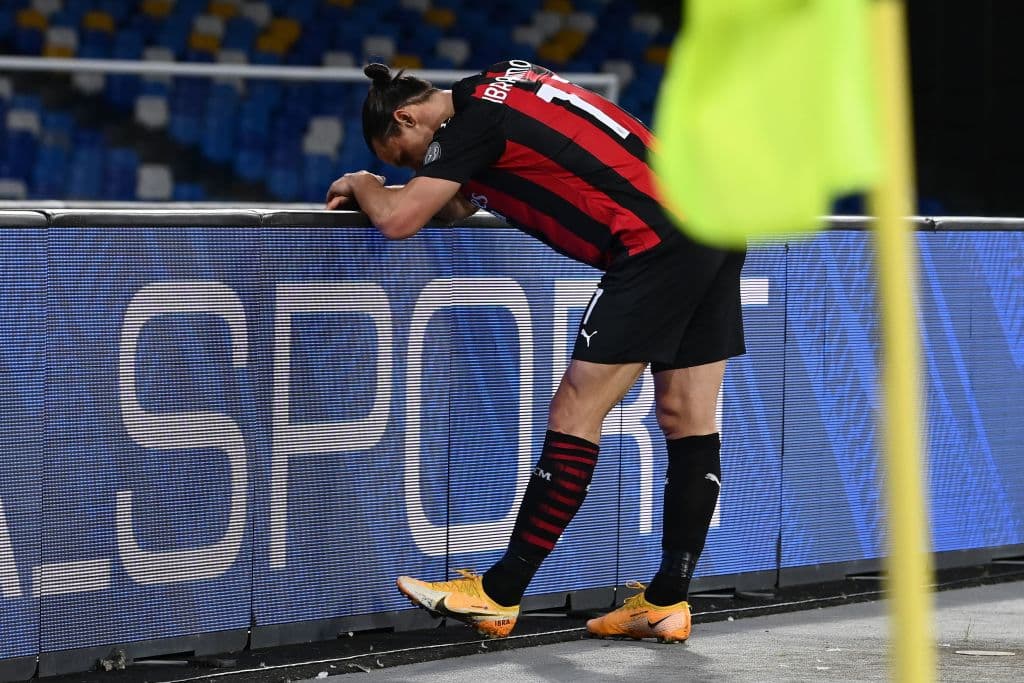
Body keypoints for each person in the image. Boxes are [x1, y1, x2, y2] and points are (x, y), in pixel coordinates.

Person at [325, 60, 745, 644]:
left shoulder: (470, 127)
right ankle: (666, 602)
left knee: (575, 412)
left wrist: (365, 184)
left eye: (403, 155)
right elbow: (456, 201)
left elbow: (399, 221)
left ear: (407, 116)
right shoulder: (506, 81)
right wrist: (406, 186)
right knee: (687, 418)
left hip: (658, 242)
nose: (414, 167)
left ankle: (499, 594)